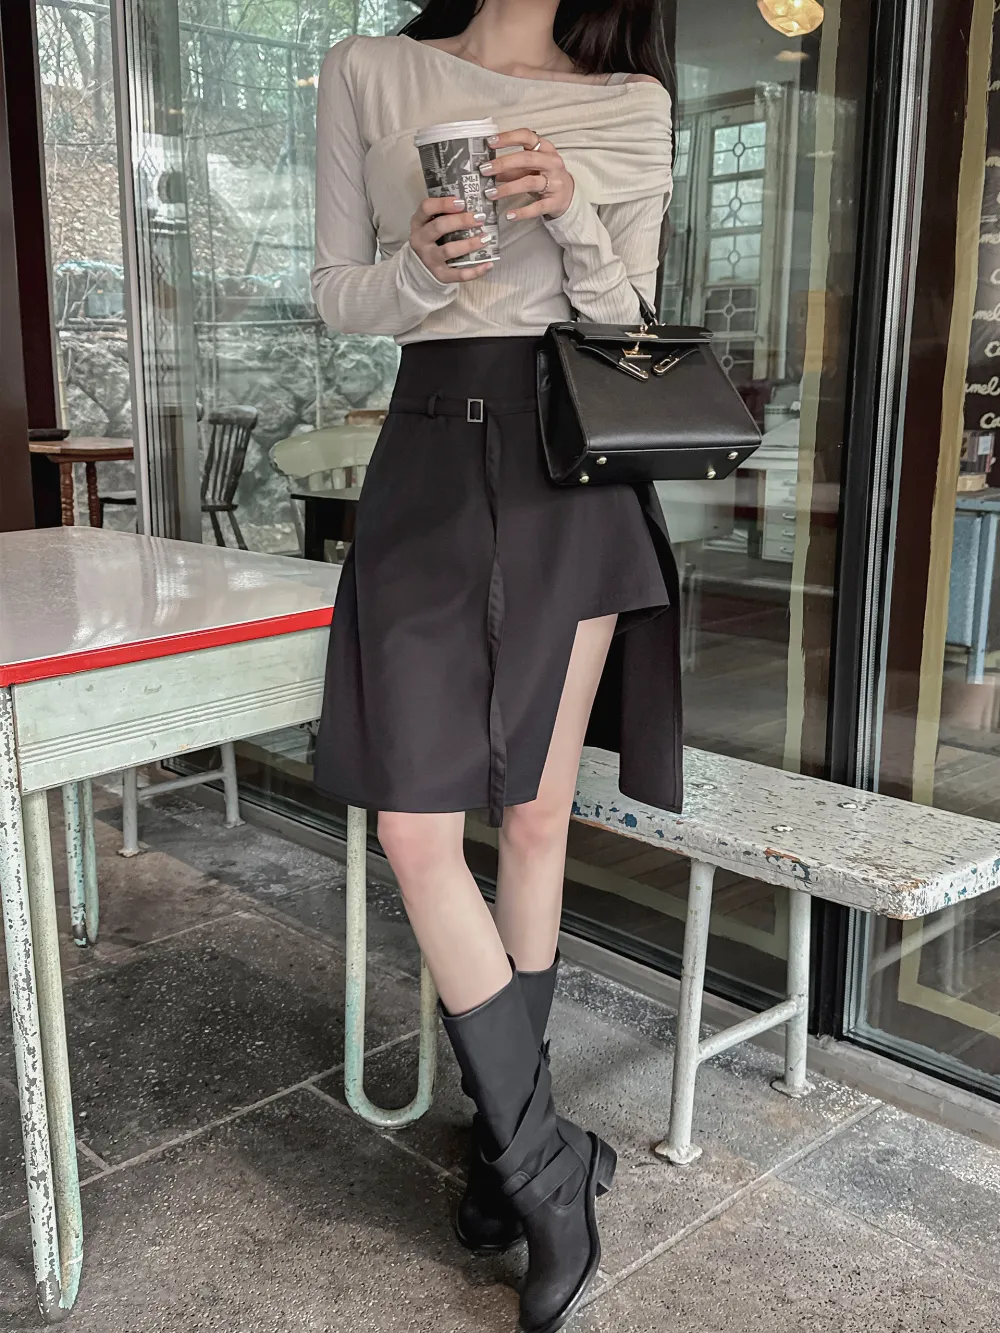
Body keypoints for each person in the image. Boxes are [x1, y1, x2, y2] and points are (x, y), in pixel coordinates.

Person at [311, 3, 679, 1329]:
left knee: (532, 816)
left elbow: (630, 320)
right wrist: (418, 269)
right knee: (415, 827)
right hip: (424, 460)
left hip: (565, 476)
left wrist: (572, 211)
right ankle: (548, 1167)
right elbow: (334, 293)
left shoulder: (633, 104)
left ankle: (498, 1145)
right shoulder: (371, 70)